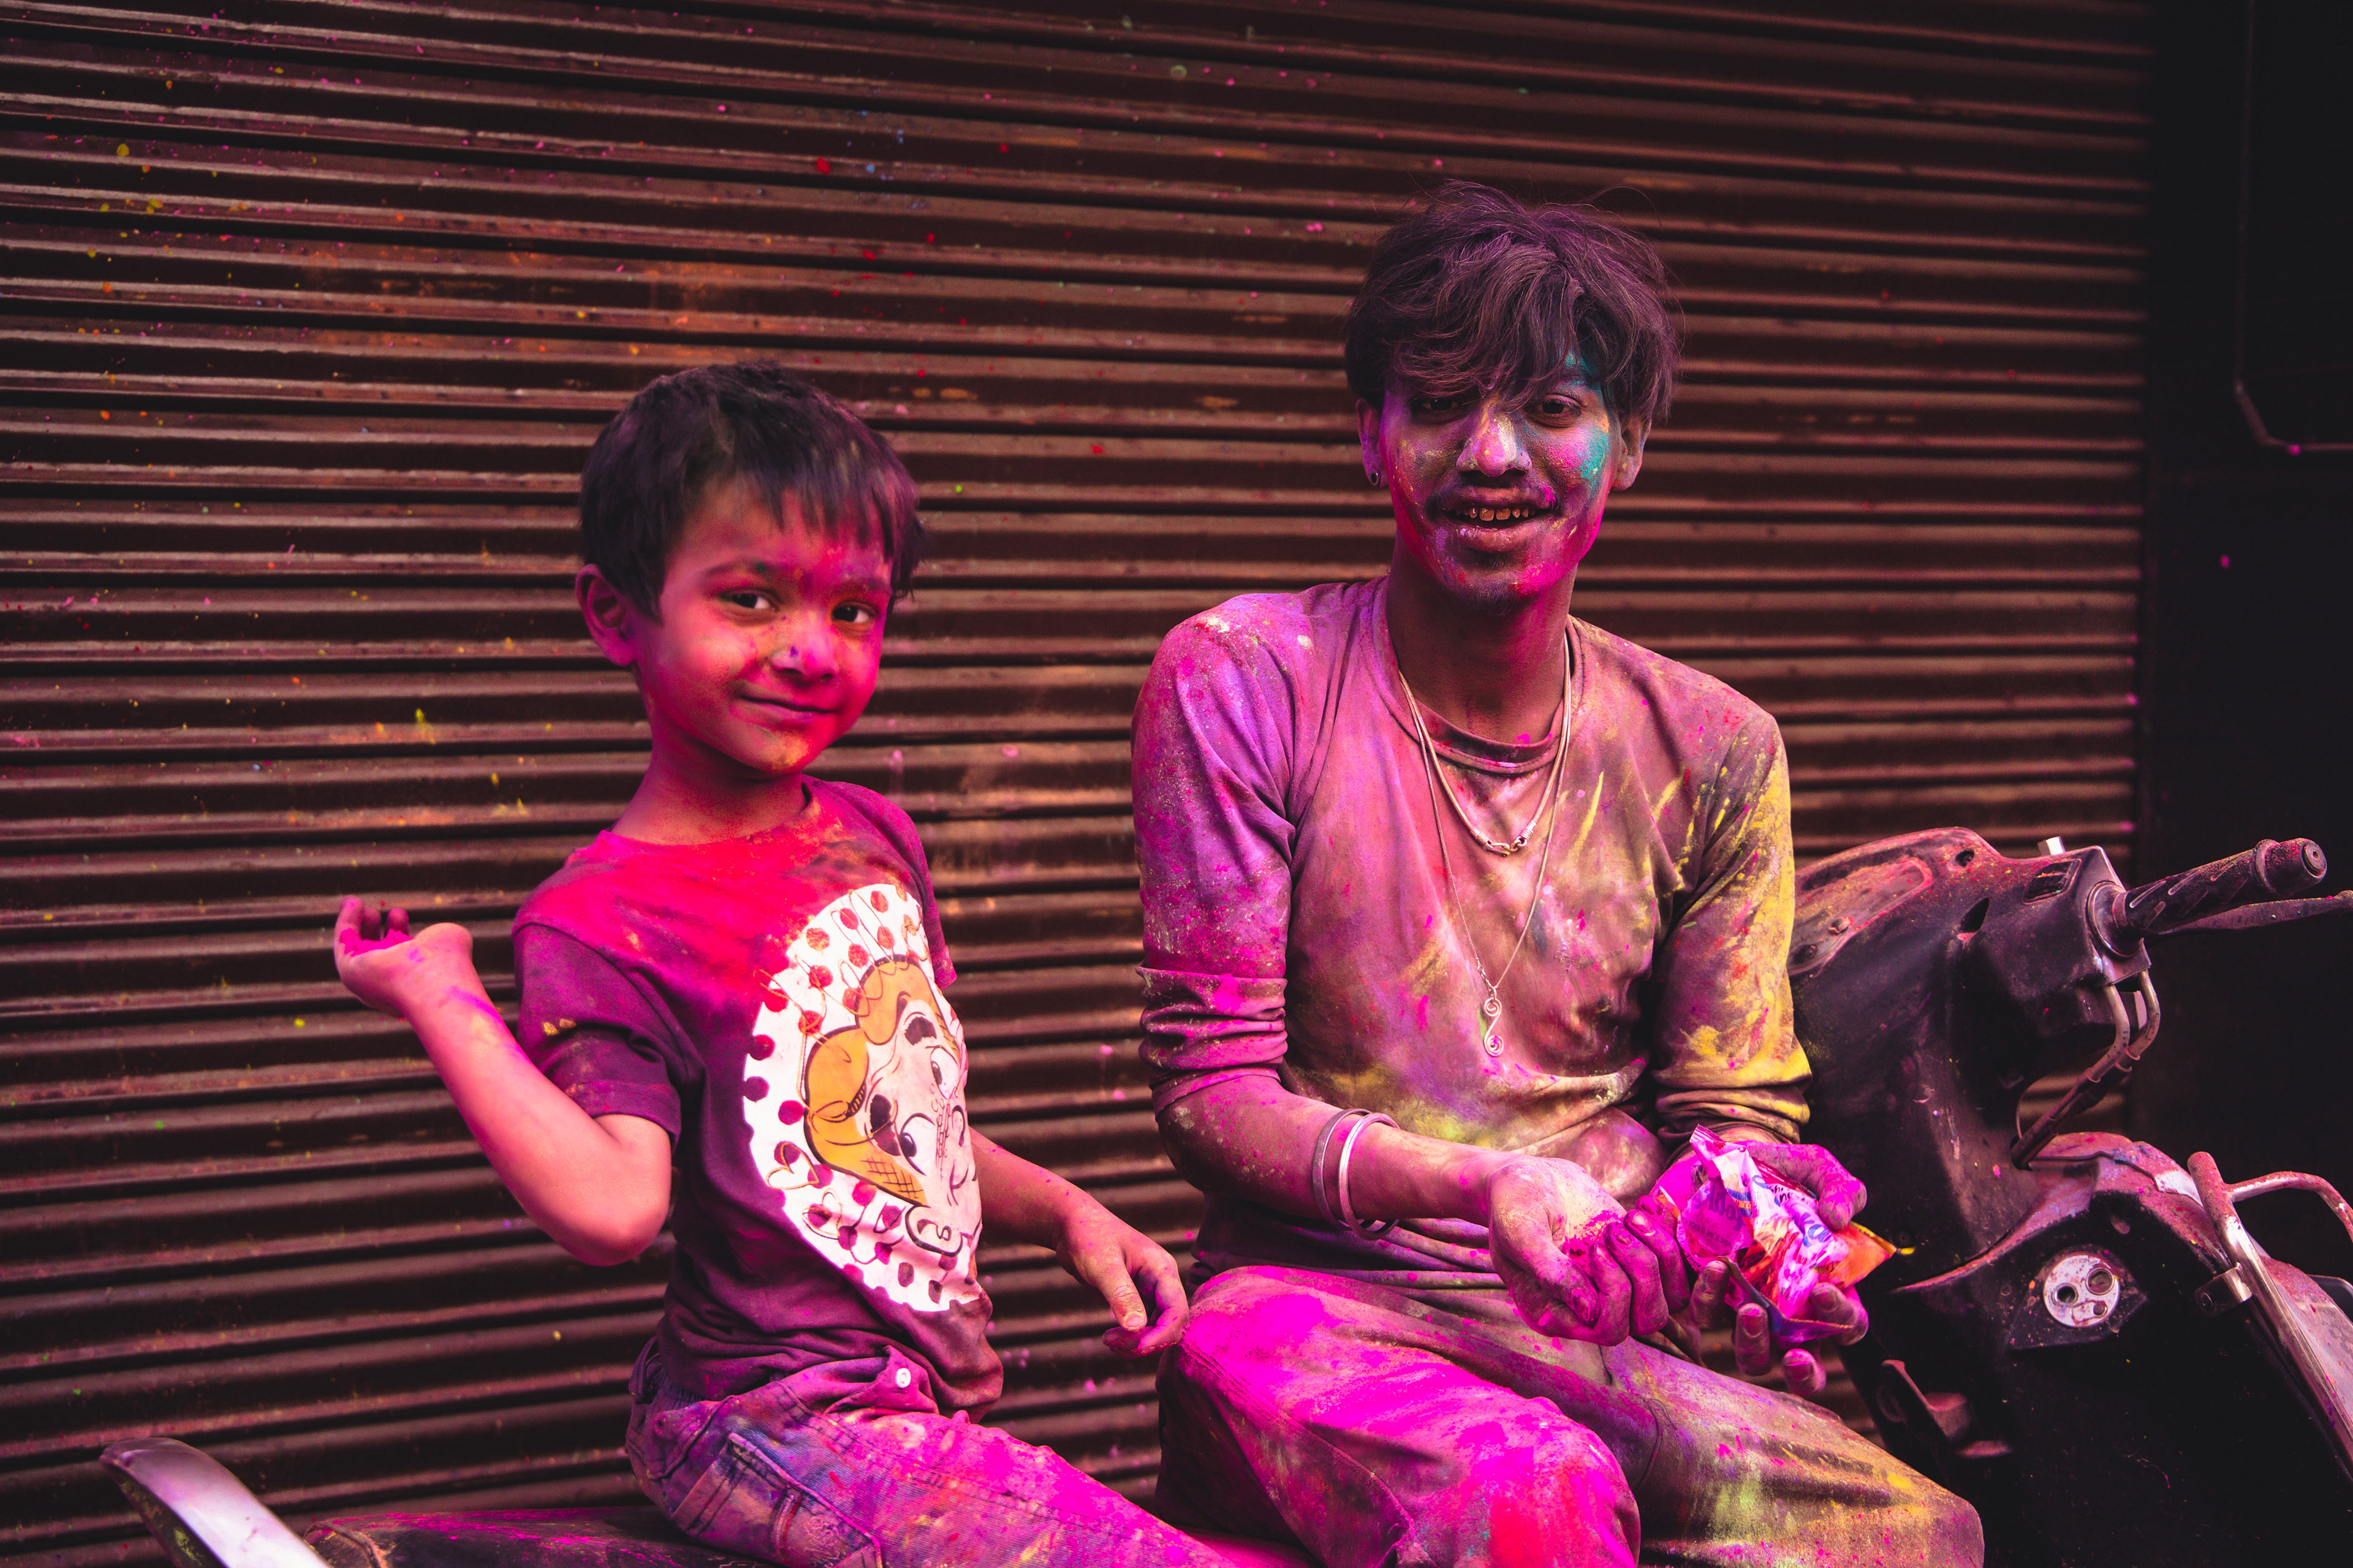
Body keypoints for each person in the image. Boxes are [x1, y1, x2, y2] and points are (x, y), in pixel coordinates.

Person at [1131, 184, 1984, 1566]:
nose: (1491, 454)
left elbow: (1734, 1116)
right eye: (1440, 404)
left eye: (1549, 405)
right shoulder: (1245, 679)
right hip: (1310, 1307)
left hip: (1589, 1324)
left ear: (1628, 445)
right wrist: (1487, 1192)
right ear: (1370, 435)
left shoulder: (1713, 749)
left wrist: (1748, 1250)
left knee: (1915, 1527)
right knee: (1537, 1497)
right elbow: (1211, 1098)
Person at [330, 362, 1248, 1568]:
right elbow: (613, 1208)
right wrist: (441, 993)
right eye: (752, 599)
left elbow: (887, 1133)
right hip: (768, 1419)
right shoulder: (604, 914)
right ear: (616, 615)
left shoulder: (871, 832)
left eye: (854, 610)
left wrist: (1070, 1213)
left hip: (900, 1412)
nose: (813, 650)